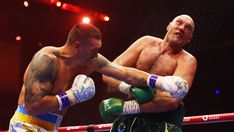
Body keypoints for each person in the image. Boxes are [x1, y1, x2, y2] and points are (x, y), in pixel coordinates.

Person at [8, 23, 178, 132]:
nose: (97, 54)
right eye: (93, 50)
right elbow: (32, 106)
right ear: (77, 46)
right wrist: (73, 96)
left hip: (52, 126)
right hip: (25, 124)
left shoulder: (91, 60)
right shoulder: (47, 60)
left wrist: (159, 81)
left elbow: (125, 73)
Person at [100, 14, 197, 132]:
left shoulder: (187, 60)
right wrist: (128, 88)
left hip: (163, 120)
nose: (181, 28)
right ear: (169, 25)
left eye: (188, 27)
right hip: (131, 118)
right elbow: (110, 71)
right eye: (179, 22)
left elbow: (172, 100)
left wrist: (127, 107)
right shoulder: (145, 42)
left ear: (189, 38)